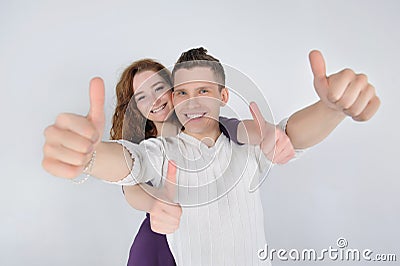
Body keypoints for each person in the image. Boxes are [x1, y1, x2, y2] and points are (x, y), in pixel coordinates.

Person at [42, 48, 380, 265]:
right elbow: (128, 167)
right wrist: (89, 156)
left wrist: (332, 109)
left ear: (223, 95)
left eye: (203, 90)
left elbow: (290, 134)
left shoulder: (245, 142)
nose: (192, 101)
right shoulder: (158, 151)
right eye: (184, 93)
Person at [109, 58, 295, 265]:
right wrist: (156, 203)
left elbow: (245, 130)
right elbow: (131, 189)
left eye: (158, 88)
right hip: (158, 242)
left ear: (174, 91)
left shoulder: (205, 126)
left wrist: (269, 131)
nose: (154, 100)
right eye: (142, 96)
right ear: (136, 107)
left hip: (205, 242)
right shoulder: (142, 147)